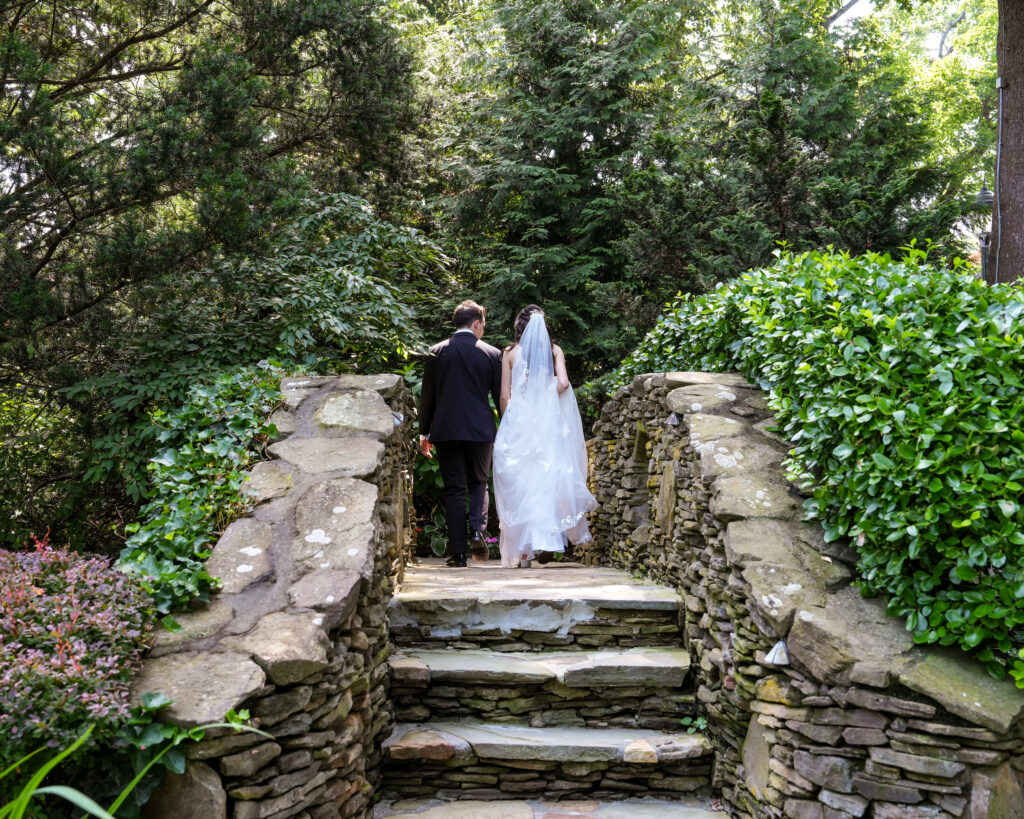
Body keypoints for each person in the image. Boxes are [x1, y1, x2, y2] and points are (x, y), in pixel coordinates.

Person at [493, 305, 597, 568]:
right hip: (546, 422)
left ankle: (523, 552)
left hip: (519, 420)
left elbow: (505, 395)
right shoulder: (554, 350)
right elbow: (562, 384)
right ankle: (544, 540)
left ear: (519, 326)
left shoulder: (509, 353)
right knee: (545, 478)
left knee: (520, 482)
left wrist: (509, 420)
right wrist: (546, 393)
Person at [419, 300, 502, 568]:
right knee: (479, 482)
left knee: (454, 489)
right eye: (483, 325)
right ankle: (478, 530)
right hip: (480, 429)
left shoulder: (436, 352)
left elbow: (427, 396)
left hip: (446, 429)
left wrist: (424, 432)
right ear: (476, 323)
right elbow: (500, 396)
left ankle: (459, 554)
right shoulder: (491, 354)